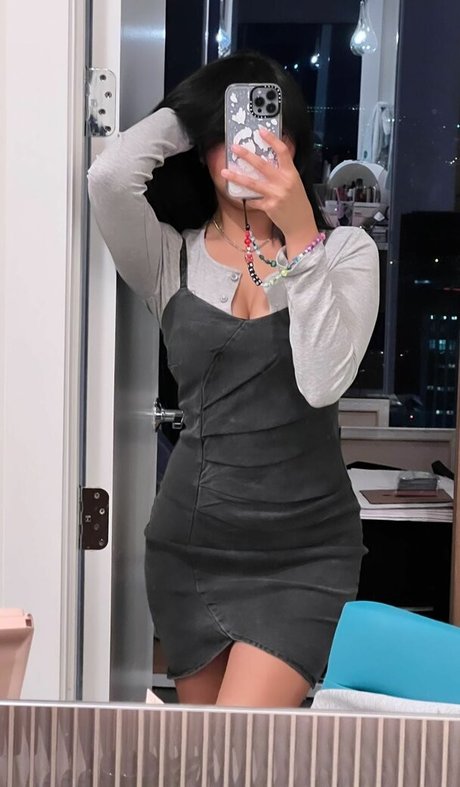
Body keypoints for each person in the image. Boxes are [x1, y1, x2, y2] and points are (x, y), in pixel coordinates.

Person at [87, 50, 379, 708]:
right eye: (228, 136)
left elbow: (323, 380)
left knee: (241, 746)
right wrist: (198, 110)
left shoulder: (345, 254)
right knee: (209, 755)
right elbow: (109, 177)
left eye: (266, 131)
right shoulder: (170, 257)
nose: (246, 149)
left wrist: (301, 235)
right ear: (201, 149)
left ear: (295, 147)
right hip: (191, 548)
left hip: (305, 553)